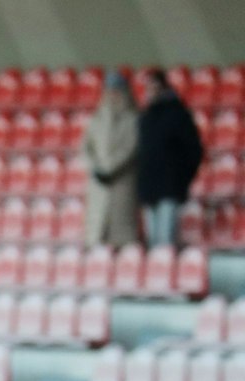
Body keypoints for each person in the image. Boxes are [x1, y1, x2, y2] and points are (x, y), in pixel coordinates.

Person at [136, 68, 204, 248]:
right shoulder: (145, 117)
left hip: (170, 187)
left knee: (165, 242)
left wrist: (181, 179)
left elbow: (194, 150)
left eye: (155, 86)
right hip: (149, 189)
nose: (151, 91)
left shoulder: (178, 114)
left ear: (164, 87)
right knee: (153, 241)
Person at [82, 72, 140, 247]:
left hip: (122, 183)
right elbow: (85, 148)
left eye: (117, 91)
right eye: (110, 91)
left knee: (121, 235)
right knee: (96, 233)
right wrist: (95, 168)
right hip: (99, 185)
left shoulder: (133, 120)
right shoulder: (96, 119)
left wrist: (110, 169)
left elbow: (131, 148)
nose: (113, 95)